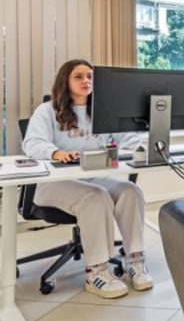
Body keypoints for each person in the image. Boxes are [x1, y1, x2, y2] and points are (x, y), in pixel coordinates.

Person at [22, 59, 153, 299]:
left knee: (130, 191)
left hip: (94, 177)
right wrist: (56, 153)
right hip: (54, 184)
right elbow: (32, 143)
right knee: (96, 197)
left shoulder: (103, 110)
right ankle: (97, 272)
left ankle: (135, 260)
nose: (86, 81)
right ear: (65, 81)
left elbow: (127, 137)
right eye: (79, 76)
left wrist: (143, 147)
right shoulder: (48, 110)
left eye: (90, 76)